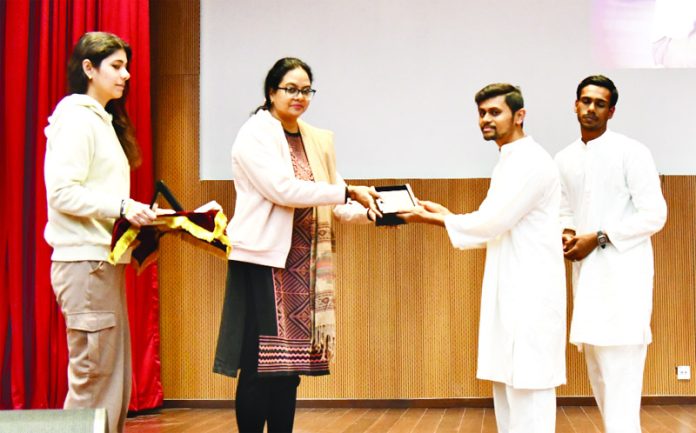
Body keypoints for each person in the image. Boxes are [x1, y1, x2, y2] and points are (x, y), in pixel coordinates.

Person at [212, 57, 381, 433]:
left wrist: (378, 212)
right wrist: (347, 192)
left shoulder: (314, 139)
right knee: (261, 366)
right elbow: (282, 190)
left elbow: (336, 200)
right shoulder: (255, 133)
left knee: (288, 371)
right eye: (291, 88)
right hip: (262, 262)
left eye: (306, 90)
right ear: (271, 92)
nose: (299, 96)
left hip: (302, 268)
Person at [399, 84, 566, 432]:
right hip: (509, 289)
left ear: (519, 116)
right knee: (507, 389)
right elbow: (493, 225)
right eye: (482, 113)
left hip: (531, 293)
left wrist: (434, 218)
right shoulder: (508, 159)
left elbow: (492, 223)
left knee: (530, 391)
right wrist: (448, 213)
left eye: (495, 112)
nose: (486, 119)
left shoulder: (532, 161)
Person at [44, 32, 158, 433]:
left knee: (111, 380)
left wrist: (143, 218)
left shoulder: (101, 120)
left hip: (100, 262)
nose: (126, 75)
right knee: (93, 379)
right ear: (88, 69)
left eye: (127, 66)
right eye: (116, 65)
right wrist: (125, 207)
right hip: (84, 263)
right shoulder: (76, 117)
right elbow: (62, 194)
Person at [555, 75, 667, 432]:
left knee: (622, 385)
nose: (590, 109)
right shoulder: (565, 158)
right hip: (586, 283)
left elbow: (655, 214)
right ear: (575, 105)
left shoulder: (632, 152)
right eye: (585, 101)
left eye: (599, 103)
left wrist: (600, 237)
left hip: (623, 284)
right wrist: (568, 234)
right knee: (600, 382)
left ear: (612, 110)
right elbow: (563, 210)